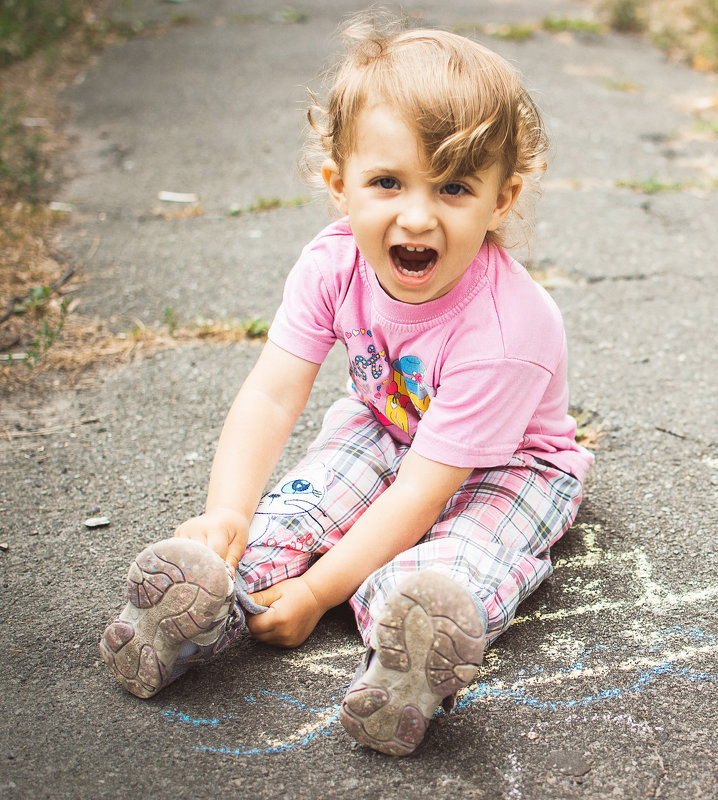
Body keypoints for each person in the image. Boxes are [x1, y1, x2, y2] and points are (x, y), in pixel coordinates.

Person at [98, 15, 592, 757]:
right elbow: (272, 395)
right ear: (340, 186)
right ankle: (198, 607)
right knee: (300, 505)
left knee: (458, 559)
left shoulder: (505, 331)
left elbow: (424, 494)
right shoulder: (331, 265)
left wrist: (319, 593)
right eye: (387, 182)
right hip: (389, 425)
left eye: (454, 186)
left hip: (510, 464)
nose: (417, 216)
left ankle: (407, 664)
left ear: (502, 199)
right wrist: (224, 515)